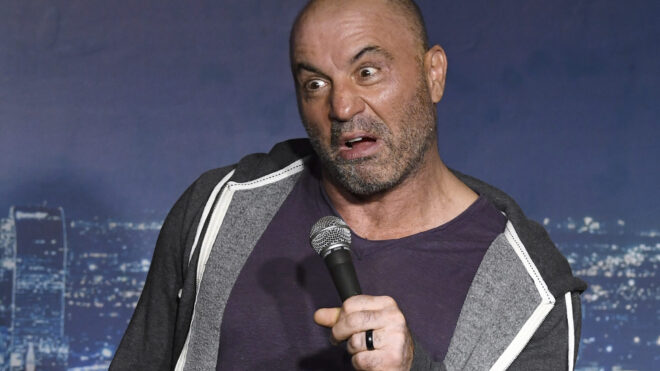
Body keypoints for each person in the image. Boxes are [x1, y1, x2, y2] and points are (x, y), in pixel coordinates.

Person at [110, 0, 586, 370]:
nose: (341, 106)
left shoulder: (528, 292)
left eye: (367, 72)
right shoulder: (217, 208)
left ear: (432, 73)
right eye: (315, 84)